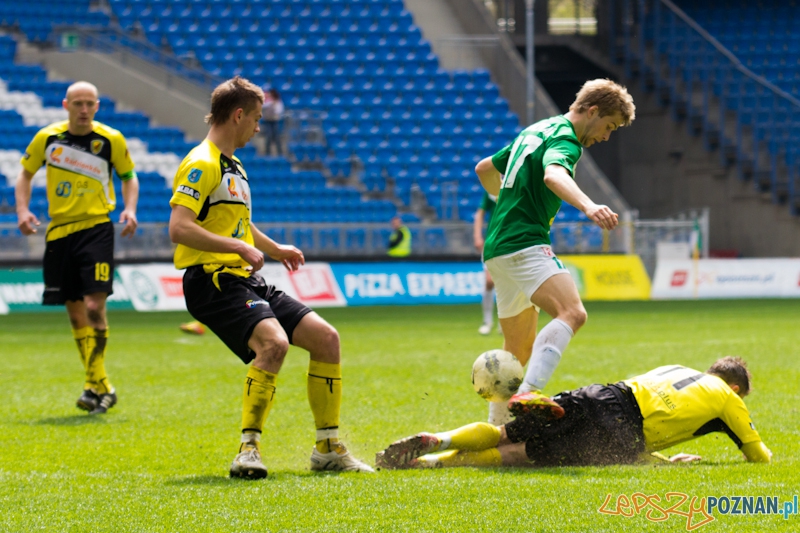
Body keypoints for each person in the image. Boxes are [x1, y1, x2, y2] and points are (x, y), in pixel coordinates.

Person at [168, 76, 372, 479]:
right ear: (238, 115)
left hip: (242, 278)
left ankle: (327, 448)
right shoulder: (201, 162)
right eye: (257, 118)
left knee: (326, 338)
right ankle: (248, 449)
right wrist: (238, 247)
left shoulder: (234, 166)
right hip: (212, 279)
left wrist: (274, 248)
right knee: (274, 344)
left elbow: (240, 224)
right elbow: (179, 227)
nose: (259, 127)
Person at [475, 79, 636, 426]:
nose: (606, 136)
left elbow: (485, 168)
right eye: (609, 126)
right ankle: (528, 392)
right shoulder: (565, 138)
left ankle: (496, 430)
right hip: (524, 242)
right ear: (592, 111)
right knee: (572, 312)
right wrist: (589, 206)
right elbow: (553, 175)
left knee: (517, 350)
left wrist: (502, 199)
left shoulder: (536, 129)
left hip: (498, 248)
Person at [378, 356, 772, 469]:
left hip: (605, 394)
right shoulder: (729, 399)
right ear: (736, 387)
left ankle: (440, 439)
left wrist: (668, 460)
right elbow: (758, 457)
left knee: (503, 434)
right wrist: (667, 462)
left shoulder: (676, 367)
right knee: (516, 455)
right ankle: (430, 464)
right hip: (624, 428)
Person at [15, 81, 139, 415]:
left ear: (97, 106)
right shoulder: (47, 138)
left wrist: (130, 209)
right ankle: (103, 386)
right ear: (65, 105)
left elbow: (129, 176)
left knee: (94, 307)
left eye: (89, 104)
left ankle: (91, 383)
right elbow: (24, 175)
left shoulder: (111, 139)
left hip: (96, 228)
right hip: (59, 233)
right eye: (77, 103)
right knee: (75, 315)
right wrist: (23, 210)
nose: (84, 110)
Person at [473, 191, 499, 335]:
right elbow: (480, 212)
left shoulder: (517, 185)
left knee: (508, 283)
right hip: (492, 240)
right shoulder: (492, 188)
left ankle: (505, 322)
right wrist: (477, 236)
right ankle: (487, 321)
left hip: (511, 240)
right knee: (489, 281)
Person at [261, 87, 284, 156]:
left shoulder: (277, 101)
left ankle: (279, 152)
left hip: (275, 120)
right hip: (268, 120)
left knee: (276, 137)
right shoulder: (267, 101)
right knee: (269, 136)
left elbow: (279, 110)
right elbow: (263, 106)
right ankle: (267, 153)